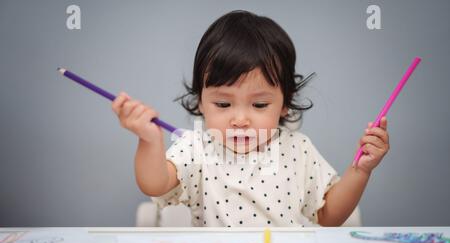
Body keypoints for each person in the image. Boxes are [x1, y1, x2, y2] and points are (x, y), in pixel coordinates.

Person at [111, 10, 389, 227]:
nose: (240, 119)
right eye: (223, 103)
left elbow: (328, 217)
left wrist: (361, 171)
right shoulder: (196, 147)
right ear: (201, 102)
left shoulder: (298, 149)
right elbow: (154, 183)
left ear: (284, 104)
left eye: (258, 104)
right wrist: (149, 141)